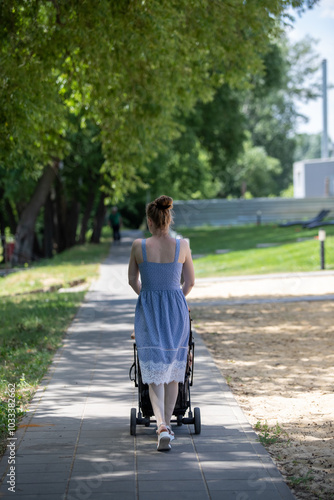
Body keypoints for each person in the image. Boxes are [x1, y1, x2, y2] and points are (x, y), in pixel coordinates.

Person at [128, 195, 195, 451]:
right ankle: (166, 424)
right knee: (174, 370)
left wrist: (147, 294)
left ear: (150, 221)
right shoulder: (183, 246)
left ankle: (162, 426)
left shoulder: (138, 246)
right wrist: (175, 296)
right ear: (169, 219)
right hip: (176, 310)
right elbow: (189, 283)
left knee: (154, 370)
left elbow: (132, 281)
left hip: (149, 311)